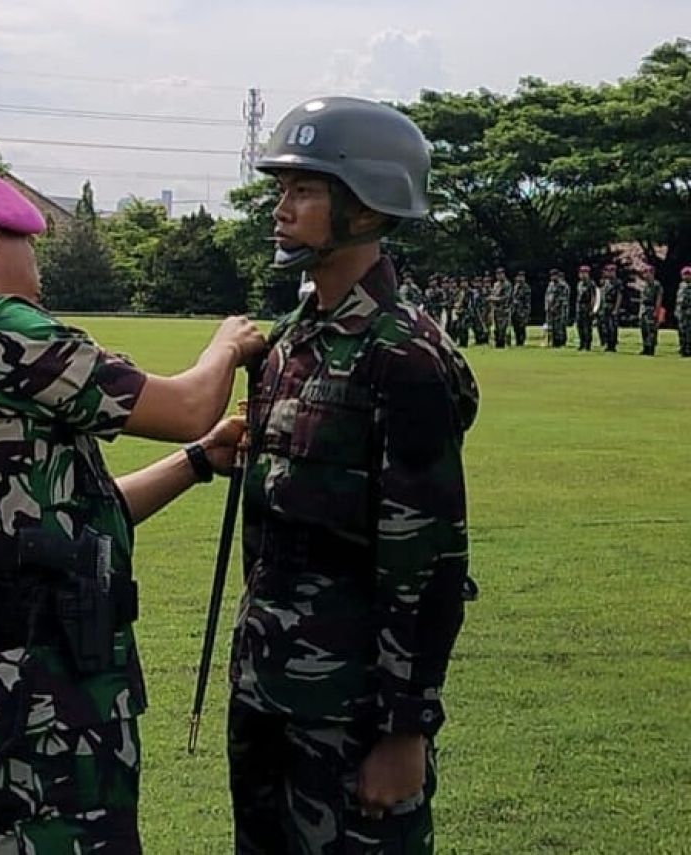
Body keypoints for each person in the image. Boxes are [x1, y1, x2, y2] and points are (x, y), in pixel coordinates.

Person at [0, 166, 265, 852]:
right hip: (44, 700)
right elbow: (184, 405)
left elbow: (65, 522)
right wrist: (227, 345)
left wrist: (200, 460)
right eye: (32, 243)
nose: (38, 264)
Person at [229, 96, 479, 855]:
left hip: (351, 710)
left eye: (303, 190)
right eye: (282, 189)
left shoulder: (405, 358)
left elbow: (429, 561)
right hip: (267, 689)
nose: (281, 207)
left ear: (366, 206)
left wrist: (406, 731)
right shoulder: (290, 342)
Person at [595, 263, 624, 352]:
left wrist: (616, 308)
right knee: (605, 326)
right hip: (605, 306)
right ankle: (607, 343)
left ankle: (612, 345)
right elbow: (602, 295)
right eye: (607, 271)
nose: (609, 273)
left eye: (611, 271)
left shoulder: (617, 283)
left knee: (612, 327)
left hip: (612, 305)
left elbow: (619, 296)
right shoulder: (606, 282)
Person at [635, 264, 663, 355]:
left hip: (651, 308)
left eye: (647, 272)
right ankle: (645, 347)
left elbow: (658, 299)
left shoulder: (656, 285)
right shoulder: (644, 285)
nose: (645, 275)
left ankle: (651, 348)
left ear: (652, 273)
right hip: (643, 309)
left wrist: (657, 311)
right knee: (644, 329)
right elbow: (642, 299)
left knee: (651, 330)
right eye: (644, 273)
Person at [544, 270, 570, 348]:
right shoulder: (550, 285)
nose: (552, 277)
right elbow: (547, 296)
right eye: (551, 275)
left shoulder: (562, 285)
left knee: (560, 326)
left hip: (560, 309)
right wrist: (547, 306)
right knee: (552, 326)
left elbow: (562, 298)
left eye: (554, 275)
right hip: (550, 309)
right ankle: (554, 342)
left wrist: (555, 306)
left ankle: (560, 342)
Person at [575, 264, 596, 351]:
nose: (582, 274)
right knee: (579, 326)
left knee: (587, 327)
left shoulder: (591, 284)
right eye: (581, 272)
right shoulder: (579, 284)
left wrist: (592, 309)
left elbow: (593, 297)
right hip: (580, 307)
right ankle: (581, 343)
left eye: (584, 273)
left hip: (587, 306)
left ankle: (587, 344)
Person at [490, 267, 513, 348]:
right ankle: (497, 345)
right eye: (498, 274)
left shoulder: (507, 285)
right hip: (496, 310)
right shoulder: (496, 285)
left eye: (501, 274)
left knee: (502, 329)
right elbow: (492, 294)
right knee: (496, 329)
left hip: (504, 310)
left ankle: (502, 344)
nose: (499, 276)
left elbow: (506, 297)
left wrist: (494, 299)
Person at [511, 271, 532, 346]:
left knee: (521, 327)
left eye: (521, 277)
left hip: (522, 310)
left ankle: (521, 341)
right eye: (518, 277)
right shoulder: (515, 287)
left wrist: (525, 312)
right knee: (516, 327)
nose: (519, 278)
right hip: (515, 310)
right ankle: (517, 341)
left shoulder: (526, 288)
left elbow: (526, 301)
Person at [676, 266, 691, 357]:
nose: (685, 276)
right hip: (681, 312)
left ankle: (689, 349)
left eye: (687, 274)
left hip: (689, 311)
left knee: (689, 331)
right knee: (681, 331)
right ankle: (683, 348)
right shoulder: (681, 285)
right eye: (684, 274)